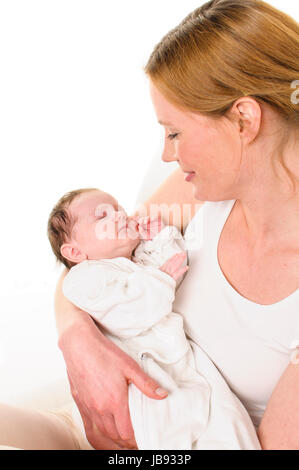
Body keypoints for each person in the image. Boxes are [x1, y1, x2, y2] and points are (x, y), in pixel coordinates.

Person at [0, 0, 298, 450]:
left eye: (174, 132)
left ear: (244, 118)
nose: (166, 155)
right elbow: (85, 263)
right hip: (97, 417)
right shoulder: (199, 193)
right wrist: (78, 340)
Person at [47, 187, 260, 449]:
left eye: (119, 209)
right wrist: (162, 278)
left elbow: (176, 265)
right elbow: (131, 313)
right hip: (140, 377)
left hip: (180, 362)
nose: (119, 216)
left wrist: (160, 237)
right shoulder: (83, 279)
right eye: (102, 217)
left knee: (227, 424)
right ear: (76, 253)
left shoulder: (137, 258)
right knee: (166, 433)